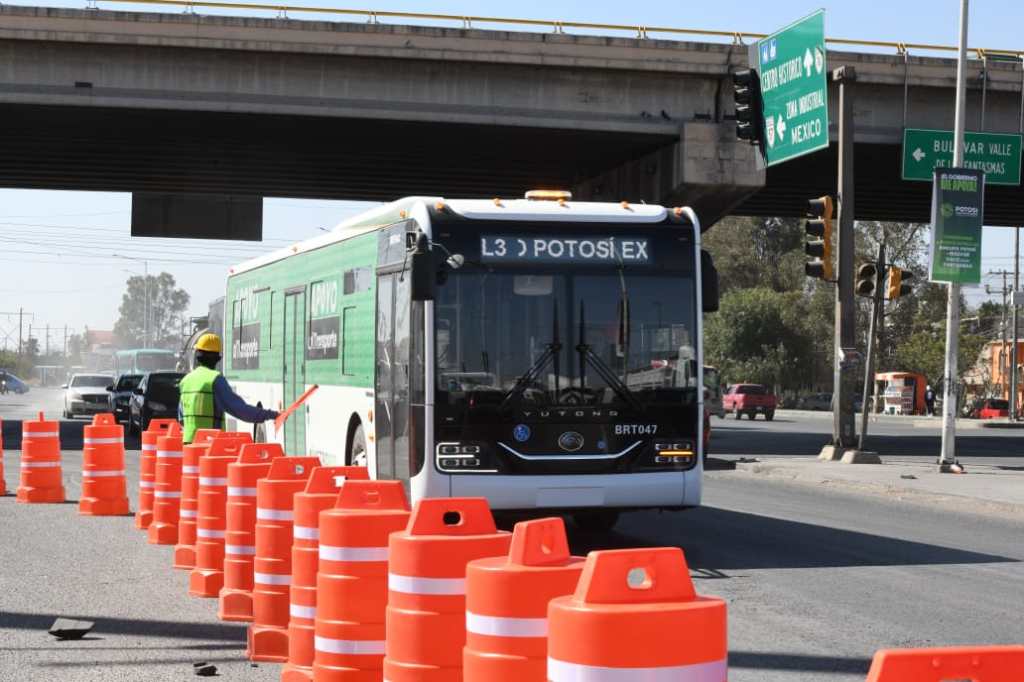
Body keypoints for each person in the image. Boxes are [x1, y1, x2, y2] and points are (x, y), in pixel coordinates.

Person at [178, 333, 278, 444]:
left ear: (198, 355)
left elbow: (181, 419)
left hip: (189, 448)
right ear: (218, 358)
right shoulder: (215, 380)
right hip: (210, 446)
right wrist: (272, 415)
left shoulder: (185, 381)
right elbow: (240, 410)